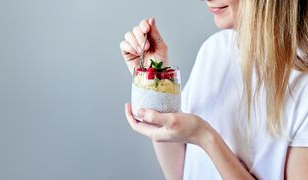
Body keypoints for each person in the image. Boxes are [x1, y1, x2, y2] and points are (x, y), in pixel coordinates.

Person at [119, 0, 308, 179]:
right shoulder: (214, 50)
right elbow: (180, 175)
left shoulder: (304, 84)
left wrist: (205, 137)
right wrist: (155, 80)